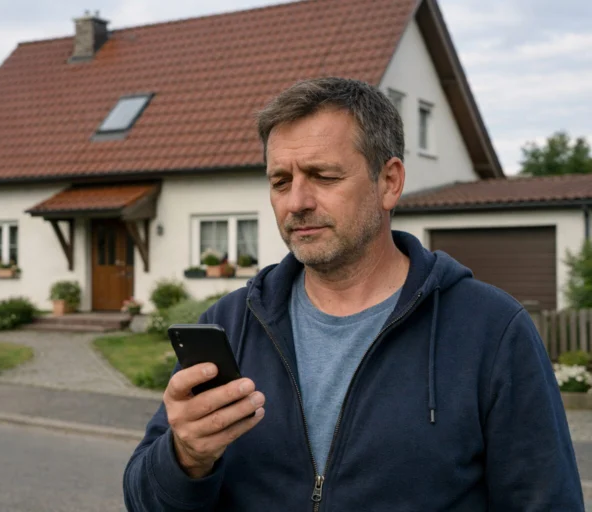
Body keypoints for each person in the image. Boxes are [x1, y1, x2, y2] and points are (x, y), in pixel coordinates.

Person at [122, 77, 584, 511]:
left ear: (389, 182)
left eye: (323, 176)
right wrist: (185, 457)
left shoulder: (491, 331)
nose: (297, 202)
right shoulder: (229, 324)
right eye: (280, 181)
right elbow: (144, 499)